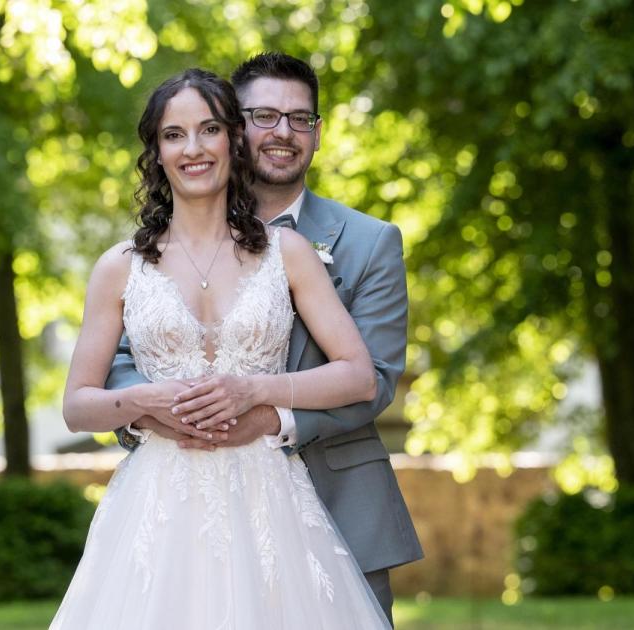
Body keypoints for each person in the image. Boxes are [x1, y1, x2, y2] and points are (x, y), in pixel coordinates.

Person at [50, 68, 392, 629]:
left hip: (268, 502)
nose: (193, 149)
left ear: (233, 140)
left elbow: (358, 375)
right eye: (173, 134)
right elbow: (77, 405)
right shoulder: (119, 268)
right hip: (158, 508)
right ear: (156, 153)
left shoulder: (289, 253)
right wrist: (148, 402)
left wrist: (255, 389)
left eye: (208, 130)